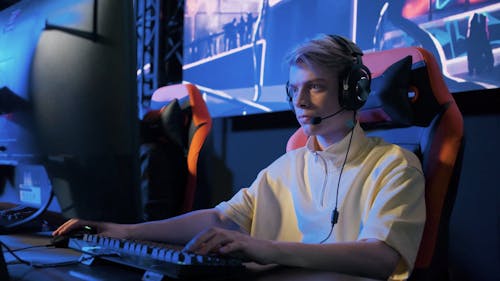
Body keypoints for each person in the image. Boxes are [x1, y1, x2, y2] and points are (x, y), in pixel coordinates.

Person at [53, 34, 425, 281]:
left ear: (352, 93)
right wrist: (119, 231)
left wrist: (266, 249)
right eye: (294, 89)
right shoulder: (287, 166)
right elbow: (221, 217)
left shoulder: (394, 166)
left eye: (315, 86)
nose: (299, 101)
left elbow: (383, 257)